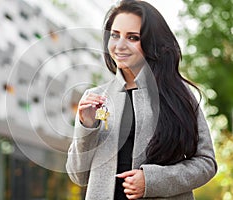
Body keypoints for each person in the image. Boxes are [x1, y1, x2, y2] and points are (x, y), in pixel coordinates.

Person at [66, 0, 217, 199]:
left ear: (151, 42)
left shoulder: (179, 95)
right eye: (115, 35)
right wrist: (86, 126)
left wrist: (152, 180)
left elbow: (206, 163)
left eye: (133, 37)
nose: (120, 45)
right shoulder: (95, 98)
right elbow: (78, 175)